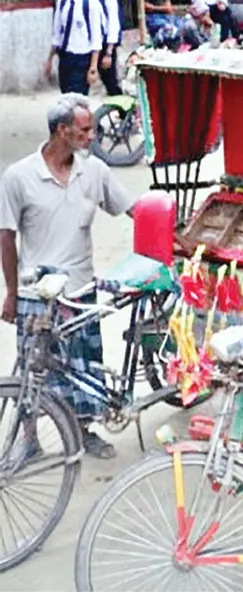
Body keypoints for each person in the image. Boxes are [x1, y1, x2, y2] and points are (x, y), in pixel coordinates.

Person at [0, 94, 136, 460]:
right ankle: (29, 439)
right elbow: (6, 237)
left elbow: (131, 208)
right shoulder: (19, 177)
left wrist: (169, 230)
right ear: (62, 131)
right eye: (85, 129)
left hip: (79, 290)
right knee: (32, 369)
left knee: (84, 366)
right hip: (36, 293)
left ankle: (84, 432)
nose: (92, 135)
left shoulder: (94, 172)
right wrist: (11, 293)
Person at [45, 0, 102, 95]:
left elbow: (96, 37)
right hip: (65, 56)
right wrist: (50, 59)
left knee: (77, 96)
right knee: (65, 94)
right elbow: (57, 33)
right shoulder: (62, 2)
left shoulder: (90, 3)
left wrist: (93, 67)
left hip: (82, 57)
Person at [80, 0, 121, 97]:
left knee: (110, 82)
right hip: (85, 44)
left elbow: (113, 22)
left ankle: (124, 113)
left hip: (104, 45)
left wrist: (109, 52)